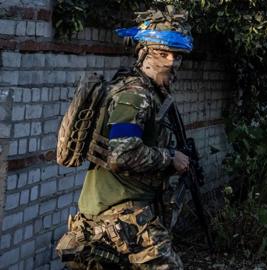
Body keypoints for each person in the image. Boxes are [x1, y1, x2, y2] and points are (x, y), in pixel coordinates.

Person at [56, 6, 193, 270]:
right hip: (118, 216)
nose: (171, 63)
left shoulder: (143, 90)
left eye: (176, 56)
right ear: (144, 53)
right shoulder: (135, 95)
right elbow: (123, 154)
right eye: (163, 54)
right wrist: (170, 157)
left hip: (116, 213)